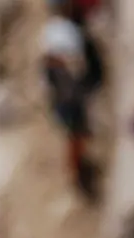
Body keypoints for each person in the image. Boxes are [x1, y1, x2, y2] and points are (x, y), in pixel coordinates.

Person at [40, 1, 105, 200]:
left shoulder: (57, 33)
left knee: (77, 134)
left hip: (70, 96)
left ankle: (77, 166)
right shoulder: (59, 35)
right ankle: (76, 169)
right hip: (68, 98)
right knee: (75, 134)